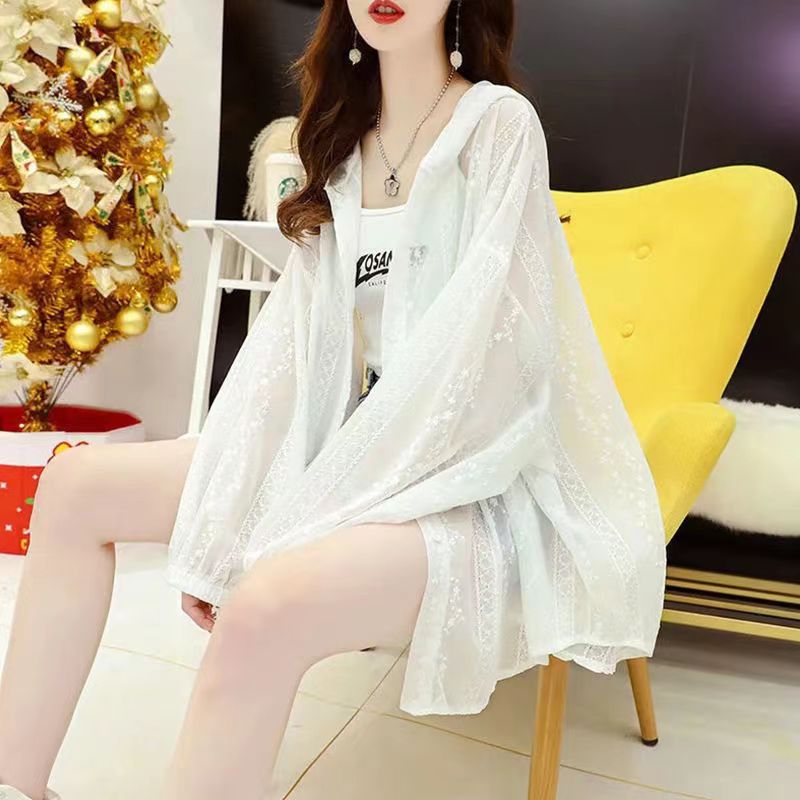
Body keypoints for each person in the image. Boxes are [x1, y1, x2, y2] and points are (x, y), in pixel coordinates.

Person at [0, 1, 667, 799]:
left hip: (466, 479)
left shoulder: (498, 126)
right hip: (342, 447)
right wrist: (226, 514)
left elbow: (489, 367)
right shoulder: (342, 143)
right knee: (74, 487)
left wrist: (290, 521)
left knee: (263, 602)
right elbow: (284, 360)